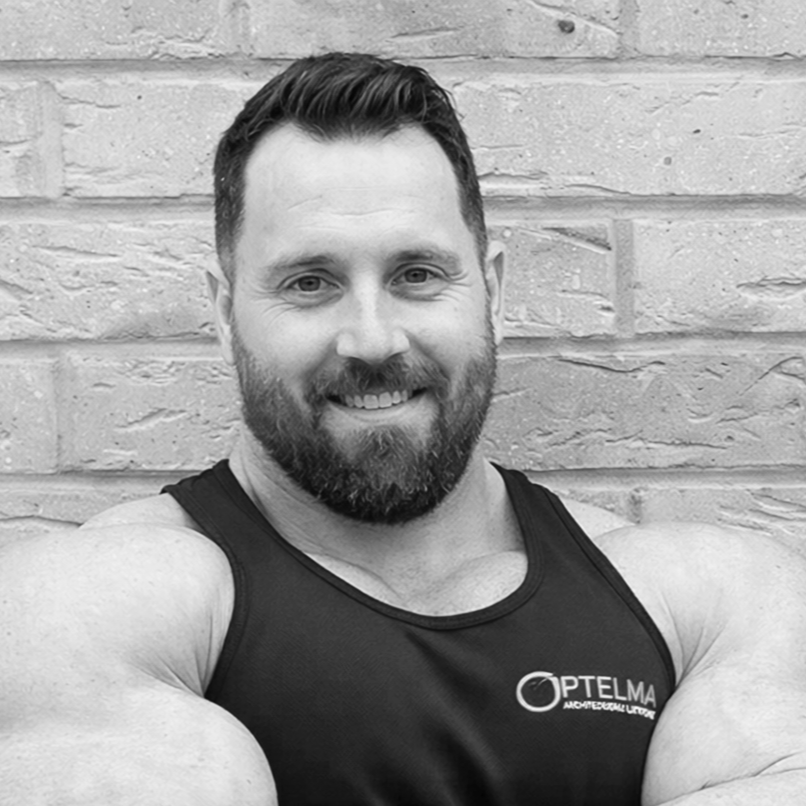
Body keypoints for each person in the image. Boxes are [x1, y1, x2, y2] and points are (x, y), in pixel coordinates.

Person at [2, 52, 805, 806]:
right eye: (310, 283)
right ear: (222, 314)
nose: (373, 338)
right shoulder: (93, 607)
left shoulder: (701, 603)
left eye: (417, 275)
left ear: (490, 289)